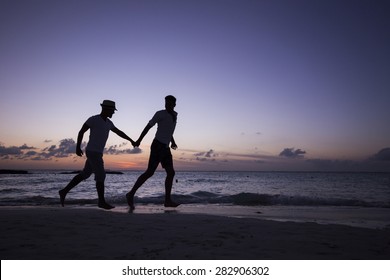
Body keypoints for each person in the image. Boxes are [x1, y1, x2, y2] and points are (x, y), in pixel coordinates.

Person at [59, 100, 135, 210]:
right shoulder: (93, 119)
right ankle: (101, 201)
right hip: (92, 152)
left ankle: (64, 191)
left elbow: (119, 132)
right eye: (112, 111)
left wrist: (131, 140)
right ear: (106, 109)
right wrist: (77, 147)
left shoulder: (109, 123)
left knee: (85, 174)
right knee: (101, 175)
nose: (113, 113)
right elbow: (81, 131)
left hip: (97, 152)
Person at [126, 95, 180, 210]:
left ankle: (167, 200)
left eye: (170, 104)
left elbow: (169, 131)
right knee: (150, 172)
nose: (167, 106)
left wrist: (173, 142)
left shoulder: (175, 115)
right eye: (166, 103)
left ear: (174, 105)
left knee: (171, 173)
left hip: (166, 148)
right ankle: (130, 194)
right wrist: (139, 140)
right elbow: (148, 127)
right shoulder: (160, 114)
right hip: (157, 145)